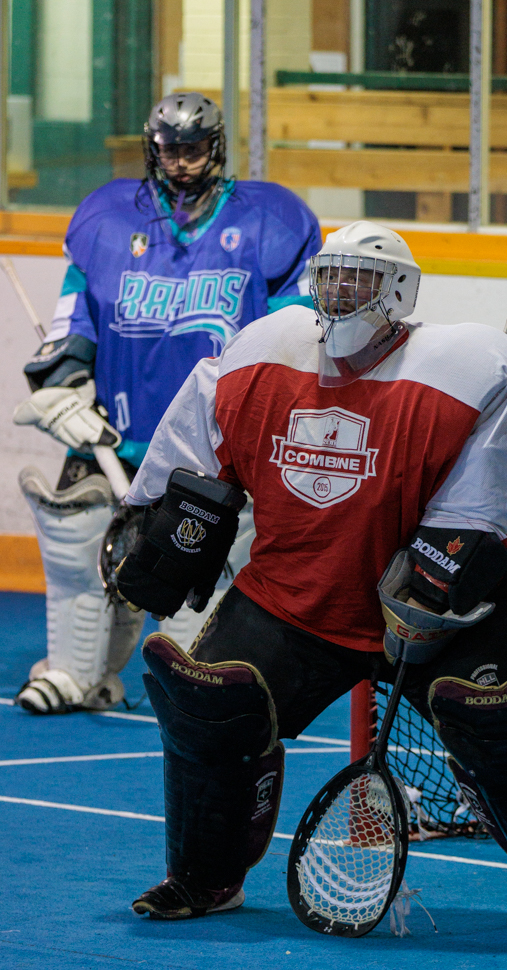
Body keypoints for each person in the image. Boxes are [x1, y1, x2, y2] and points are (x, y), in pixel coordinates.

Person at [115, 220, 507, 935]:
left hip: (440, 618)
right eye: (333, 277)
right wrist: (150, 520)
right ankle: (202, 878)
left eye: (362, 279)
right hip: (295, 599)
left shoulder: (466, 370)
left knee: (505, 722)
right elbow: (190, 455)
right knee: (209, 711)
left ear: (400, 291)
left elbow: (485, 505)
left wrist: (442, 581)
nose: (343, 293)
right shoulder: (261, 353)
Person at [12, 91, 321, 715]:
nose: (181, 161)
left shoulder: (271, 220)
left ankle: (195, 675)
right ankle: (79, 671)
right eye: (170, 149)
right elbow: (77, 313)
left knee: (204, 561)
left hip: (211, 438)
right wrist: (63, 383)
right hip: (115, 433)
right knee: (78, 547)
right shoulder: (107, 218)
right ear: (154, 149)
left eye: (193, 148)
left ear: (217, 146)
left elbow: (294, 327)